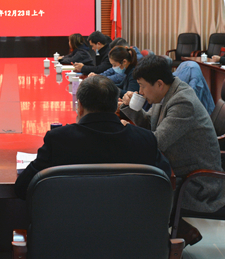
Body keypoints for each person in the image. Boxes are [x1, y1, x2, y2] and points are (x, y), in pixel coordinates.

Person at [120, 55, 225, 247]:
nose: (140, 92)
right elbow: (150, 124)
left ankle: (158, 246)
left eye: (142, 86)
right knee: (138, 182)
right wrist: (129, 107)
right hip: (181, 170)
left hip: (197, 182)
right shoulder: (167, 92)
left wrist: (127, 132)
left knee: (139, 189)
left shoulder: (182, 102)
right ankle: (178, 232)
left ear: (159, 84)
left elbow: (157, 142)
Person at [15, 75, 171, 199]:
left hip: (69, 227)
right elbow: (165, 182)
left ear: (80, 107)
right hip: (132, 226)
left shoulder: (59, 140)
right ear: (116, 105)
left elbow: (22, 188)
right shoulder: (144, 140)